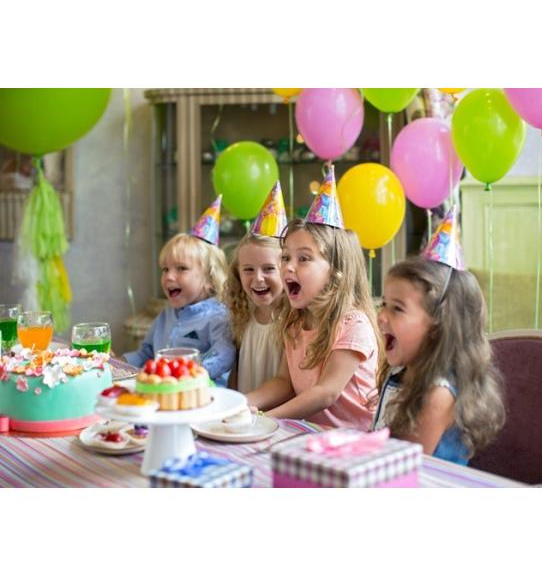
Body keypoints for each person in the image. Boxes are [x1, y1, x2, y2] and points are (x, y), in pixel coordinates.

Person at [247, 168, 380, 430]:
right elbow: (284, 383)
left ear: (335, 271)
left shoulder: (353, 323)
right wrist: (242, 403)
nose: (288, 267)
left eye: (304, 258)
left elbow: (325, 393)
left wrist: (265, 418)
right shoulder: (295, 322)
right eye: (286, 257)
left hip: (356, 442)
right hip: (312, 435)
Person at [373, 206, 505, 464]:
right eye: (384, 304)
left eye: (397, 308)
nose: (381, 316)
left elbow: (401, 467)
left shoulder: (437, 394)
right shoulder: (401, 372)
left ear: (437, 325)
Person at [123, 196, 235, 385]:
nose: (169, 276)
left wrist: (187, 373)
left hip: (203, 394)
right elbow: (146, 353)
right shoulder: (165, 316)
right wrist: (118, 362)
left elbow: (223, 354)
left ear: (209, 279)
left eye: (181, 269)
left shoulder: (218, 317)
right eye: (165, 269)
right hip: (165, 391)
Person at [224, 182, 287, 394]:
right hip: (244, 408)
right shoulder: (242, 315)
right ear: (237, 273)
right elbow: (236, 369)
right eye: (248, 270)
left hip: (278, 412)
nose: (258, 278)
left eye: (269, 269)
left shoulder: (292, 320)